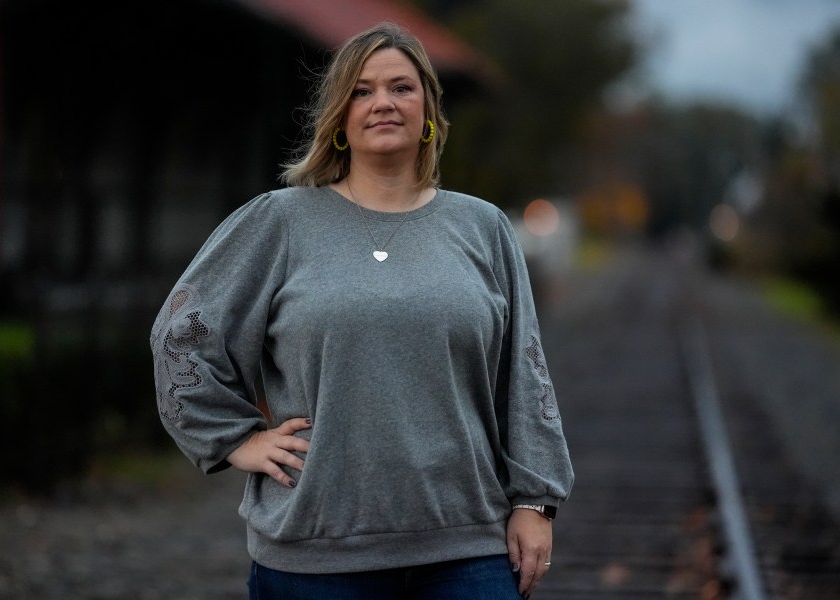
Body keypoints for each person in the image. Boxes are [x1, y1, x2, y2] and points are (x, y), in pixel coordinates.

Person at [150, 22, 573, 600]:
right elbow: (181, 334)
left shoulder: (482, 227)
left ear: (428, 109)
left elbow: (524, 374)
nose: (382, 103)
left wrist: (535, 500)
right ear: (339, 116)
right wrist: (234, 439)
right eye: (362, 90)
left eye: (401, 87)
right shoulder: (280, 222)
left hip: (466, 548)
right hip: (314, 555)